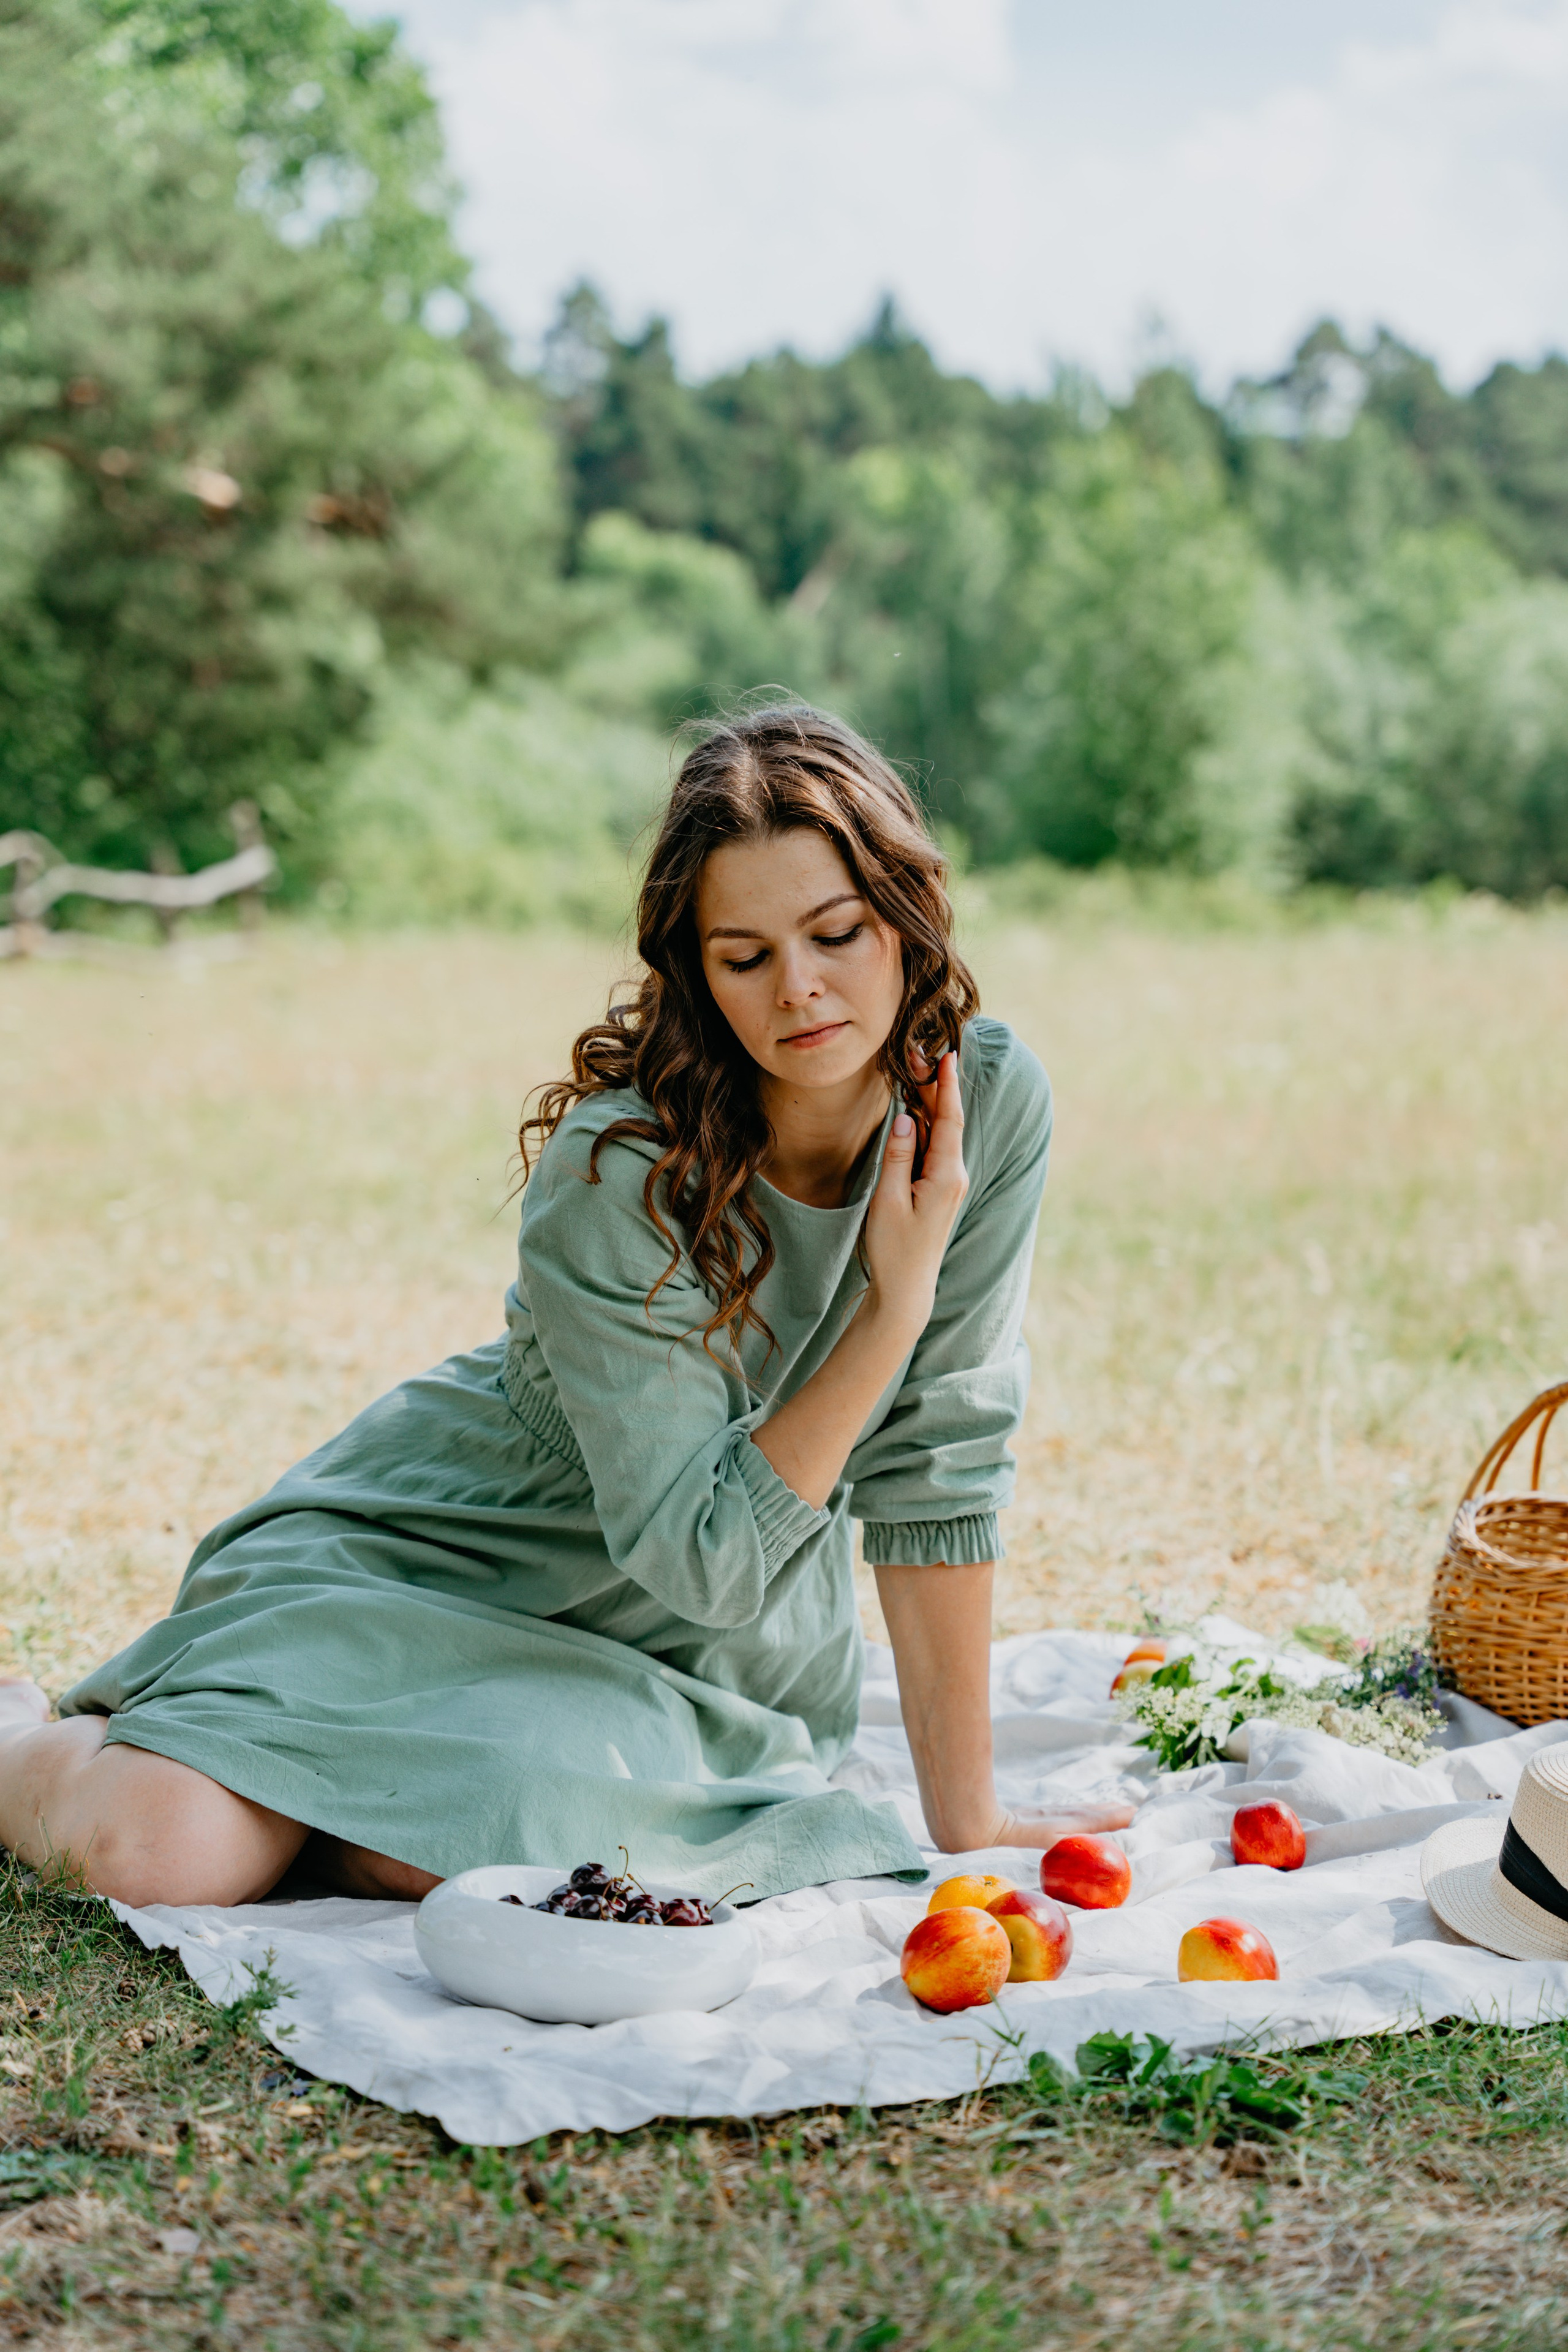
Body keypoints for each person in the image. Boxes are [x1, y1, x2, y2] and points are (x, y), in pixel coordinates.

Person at [0, 706, 1131, 1909]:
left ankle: (332, 1813)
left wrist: (968, 1817)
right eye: (743, 956)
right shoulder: (613, 1173)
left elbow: (939, 1459)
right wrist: (887, 1312)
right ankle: (24, 1735)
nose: (800, 989)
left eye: (837, 933)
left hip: (704, 1661)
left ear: (903, 915)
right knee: (150, 1852)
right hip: (432, 1567)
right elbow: (697, 1551)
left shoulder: (984, 1102)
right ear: (694, 972)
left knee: (497, 1854)